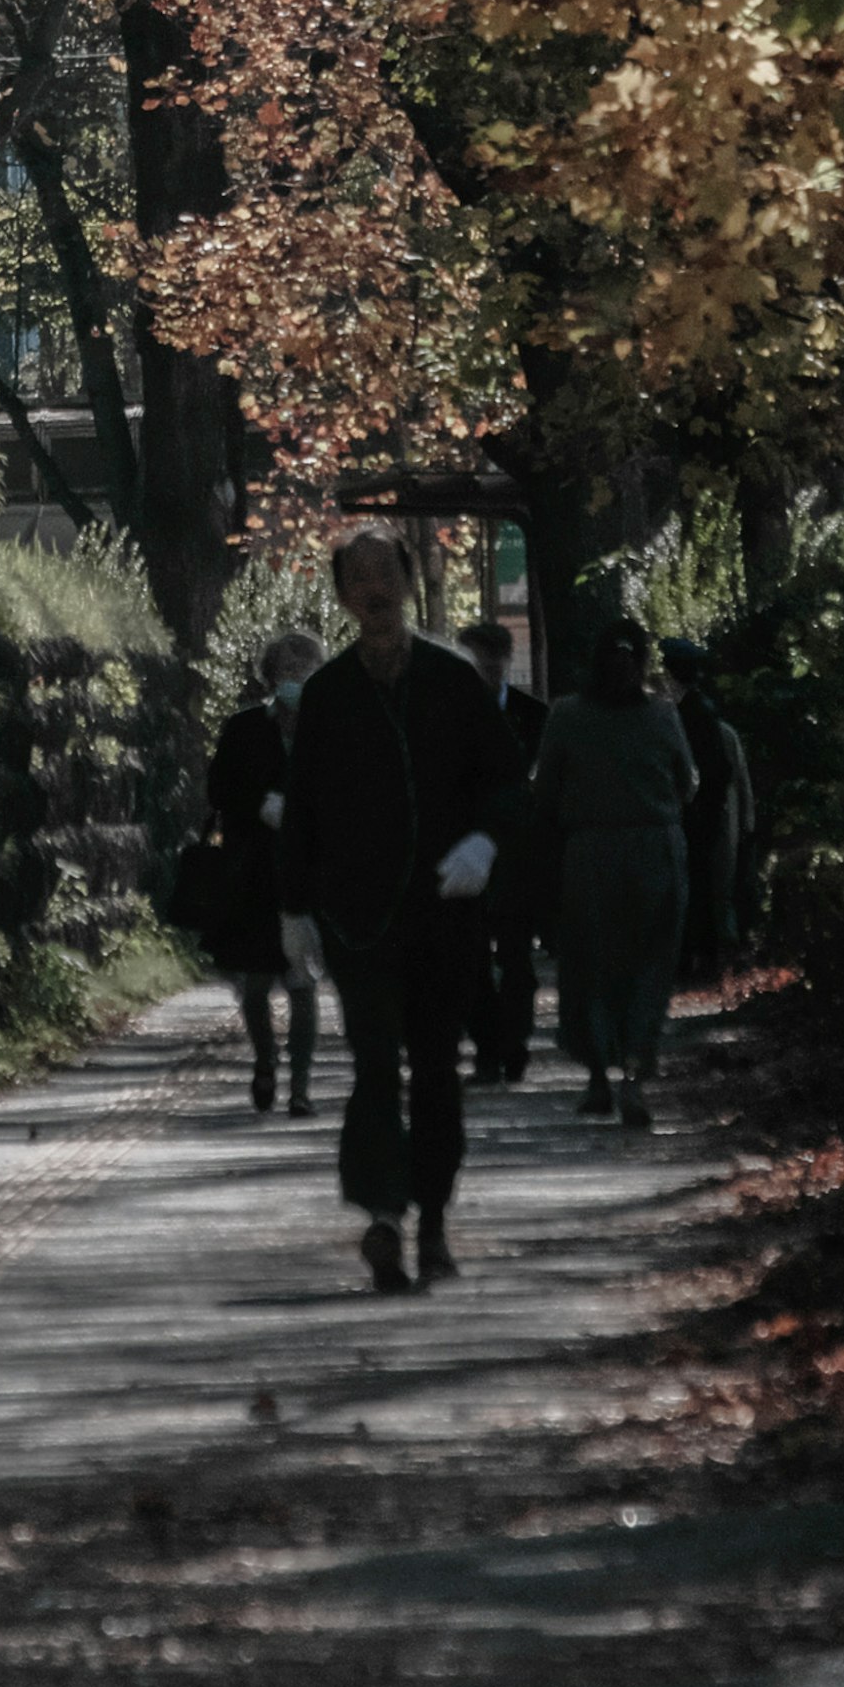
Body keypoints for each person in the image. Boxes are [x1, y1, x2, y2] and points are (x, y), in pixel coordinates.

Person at [276, 527, 530, 1293]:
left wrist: (485, 843)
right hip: (359, 923)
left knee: (437, 1074)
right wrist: (294, 910)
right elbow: (303, 813)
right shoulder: (326, 697)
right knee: (376, 1065)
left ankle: (437, 1222)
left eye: (386, 573)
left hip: (444, 916)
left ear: (410, 582)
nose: (375, 590)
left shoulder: (455, 681)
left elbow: (509, 783)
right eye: (359, 578)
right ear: (342, 595)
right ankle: (385, 1213)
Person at [527, 628, 698, 1135]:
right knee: (650, 966)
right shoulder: (663, 714)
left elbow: (545, 791)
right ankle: (634, 1074)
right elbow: (687, 782)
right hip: (654, 851)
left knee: (590, 968)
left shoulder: (567, 716)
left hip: (590, 856)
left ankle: (599, 1074)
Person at [200, 625, 324, 1112]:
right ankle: (266, 1060)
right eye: (287, 669)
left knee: (302, 982)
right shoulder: (244, 728)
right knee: (254, 985)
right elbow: (218, 790)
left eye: (306, 669)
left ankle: (300, 1089)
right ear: (270, 676)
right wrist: (259, 805)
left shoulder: (329, 729)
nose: (296, 678)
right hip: (251, 874)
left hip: (304, 876)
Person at [460, 612, 552, 1085]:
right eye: (477, 663)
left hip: (517, 855)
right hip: (463, 853)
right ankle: (487, 1048)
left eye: (493, 663)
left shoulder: (535, 716)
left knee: (515, 958)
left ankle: (514, 1042)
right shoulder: (448, 714)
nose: (486, 671)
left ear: (505, 661)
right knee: (471, 959)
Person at [662, 634, 760, 988]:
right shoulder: (704, 715)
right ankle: (707, 958)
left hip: (699, 817)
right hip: (710, 816)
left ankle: (702, 960)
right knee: (711, 891)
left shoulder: (689, 716)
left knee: (701, 890)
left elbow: (713, 774)